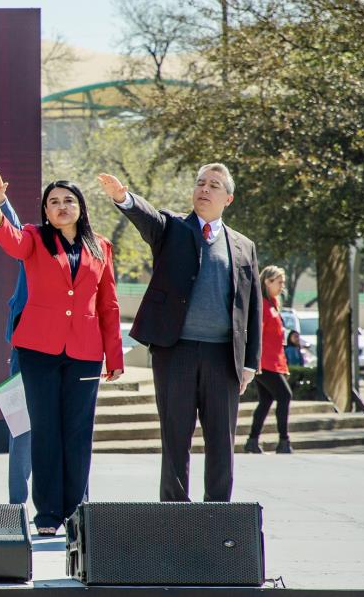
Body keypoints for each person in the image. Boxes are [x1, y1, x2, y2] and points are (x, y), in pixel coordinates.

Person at [99, 165, 261, 502]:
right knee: (175, 439)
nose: (204, 189)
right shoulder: (173, 228)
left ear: (227, 198)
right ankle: (174, 514)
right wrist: (123, 197)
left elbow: (252, 307)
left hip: (223, 358)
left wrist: (250, 363)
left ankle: (219, 513)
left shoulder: (243, 246)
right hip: (176, 352)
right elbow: (148, 218)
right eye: (200, 182)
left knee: (221, 441)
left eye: (214, 185)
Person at [0, 176, 122, 535]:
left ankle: (77, 512)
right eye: (53, 201)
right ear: (45, 210)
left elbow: (108, 304)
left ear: (80, 207)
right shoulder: (35, 238)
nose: (61, 206)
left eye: (68, 200)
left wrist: (114, 357)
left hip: (86, 352)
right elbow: (12, 243)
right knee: (44, 431)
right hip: (38, 349)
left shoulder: (100, 246)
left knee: (77, 433)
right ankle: (47, 516)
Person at [0, 170, 33, 509]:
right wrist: (1, 201)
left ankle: (75, 507)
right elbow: (15, 234)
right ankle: (17, 505)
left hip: (66, 354)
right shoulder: (36, 242)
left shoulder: (84, 247)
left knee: (65, 437)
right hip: (24, 351)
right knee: (21, 430)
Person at [246, 266, 294, 454]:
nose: (282, 286)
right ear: (267, 281)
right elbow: (256, 334)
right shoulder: (262, 306)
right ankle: (284, 440)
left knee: (265, 401)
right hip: (264, 362)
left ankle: (252, 441)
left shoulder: (272, 304)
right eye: (279, 282)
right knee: (285, 395)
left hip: (272, 361)